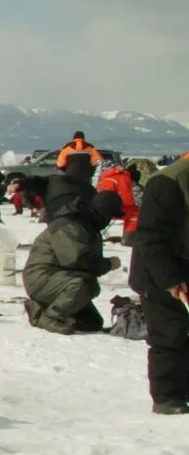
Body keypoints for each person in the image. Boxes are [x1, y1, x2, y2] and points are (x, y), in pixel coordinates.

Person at [129, 161, 189, 413]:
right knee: (170, 332)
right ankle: (167, 397)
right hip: (157, 269)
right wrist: (171, 279)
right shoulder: (167, 183)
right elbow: (150, 236)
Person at [21, 191, 122, 336]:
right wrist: (109, 264)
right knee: (86, 283)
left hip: (61, 278)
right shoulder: (70, 225)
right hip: (40, 278)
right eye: (111, 216)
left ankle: (44, 307)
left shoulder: (88, 225)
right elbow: (77, 261)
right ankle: (47, 317)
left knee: (92, 323)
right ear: (103, 213)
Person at [97, 162, 140, 237]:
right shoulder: (124, 179)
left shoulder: (108, 176)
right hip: (112, 211)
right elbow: (126, 200)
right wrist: (137, 203)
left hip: (98, 209)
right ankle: (128, 236)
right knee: (137, 212)